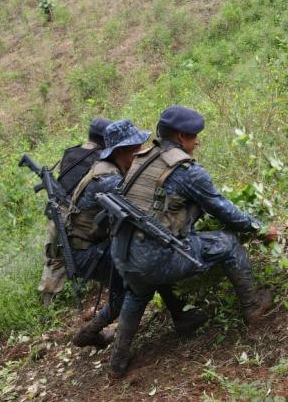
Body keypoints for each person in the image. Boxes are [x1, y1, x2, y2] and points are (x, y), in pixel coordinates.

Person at [108, 106, 277, 377]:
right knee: (228, 242)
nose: (197, 142)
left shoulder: (143, 158)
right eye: (195, 136)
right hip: (153, 258)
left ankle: (118, 362)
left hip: (123, 255)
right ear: (181, 136)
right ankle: (253, 306)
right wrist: (259, 229)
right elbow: (222, 209)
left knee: (137, 294)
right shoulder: (186, 170)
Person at [67, 119, 208, 349]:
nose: (139, 154)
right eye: (135, 150)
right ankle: (91, 332)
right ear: (121, 152)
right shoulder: (110, 180)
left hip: (91, 244)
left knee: (148, 259)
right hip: (86, 252)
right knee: (139, 277)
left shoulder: (110, 169)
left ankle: (181, 315)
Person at [38, 117, 111, 305]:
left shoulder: (70, 152)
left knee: (53, 259)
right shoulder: (101, 159)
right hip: (79, 220)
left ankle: (48, 303)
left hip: (57, 217)